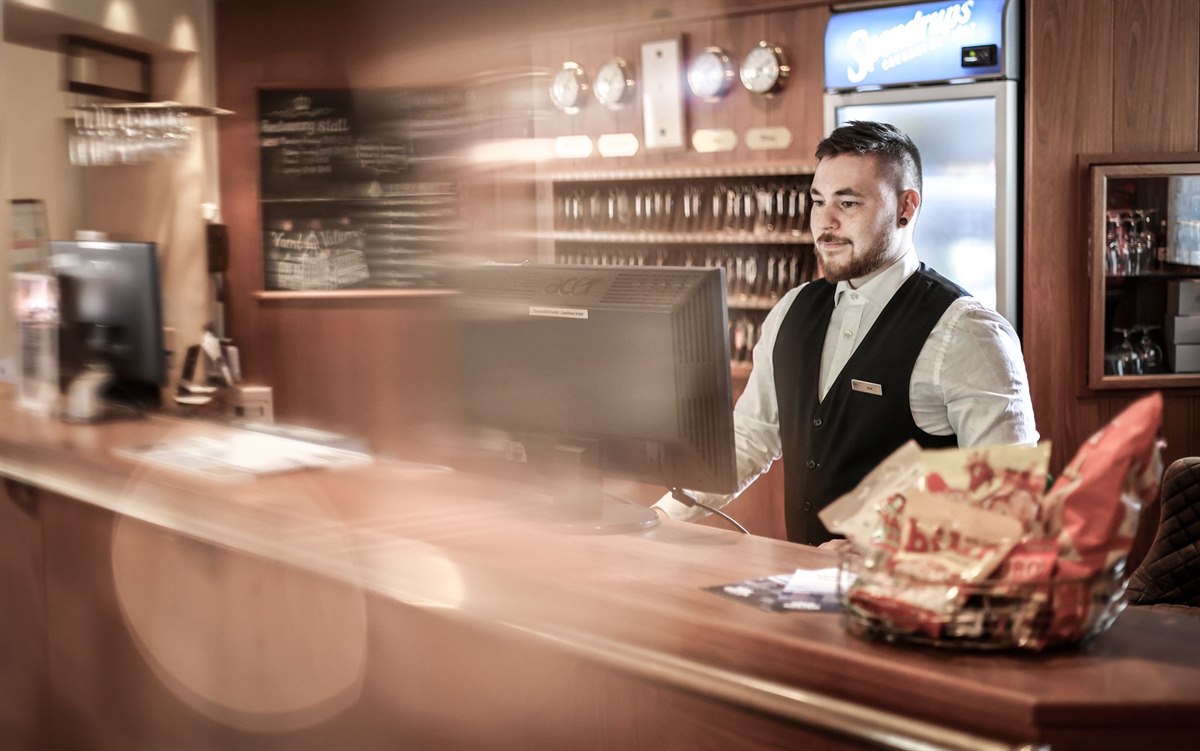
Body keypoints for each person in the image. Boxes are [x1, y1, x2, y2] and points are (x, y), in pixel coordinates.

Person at [653, 120, 1038, 545]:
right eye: (818, 202)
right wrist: (658, 516)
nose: (825, 222)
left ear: (906, 207)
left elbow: (1008, 500)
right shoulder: (790, 311)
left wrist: (886, 550)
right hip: (802, 590)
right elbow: (750, 438)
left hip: (914, 601)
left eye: (848, 203)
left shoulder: (968, 331)